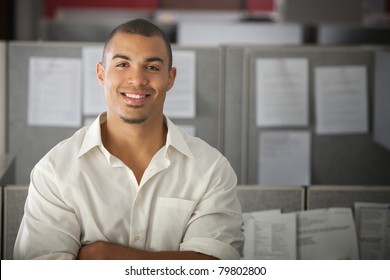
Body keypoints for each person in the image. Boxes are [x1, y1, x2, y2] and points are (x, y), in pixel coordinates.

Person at [14, 19, 244, 260]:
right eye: (123, 64)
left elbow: (214, 267)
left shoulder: (211, 169)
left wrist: (104, 256)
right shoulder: (54, 172)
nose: (137, 79)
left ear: (170, 78)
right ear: (101, 74)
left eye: (152, 67)